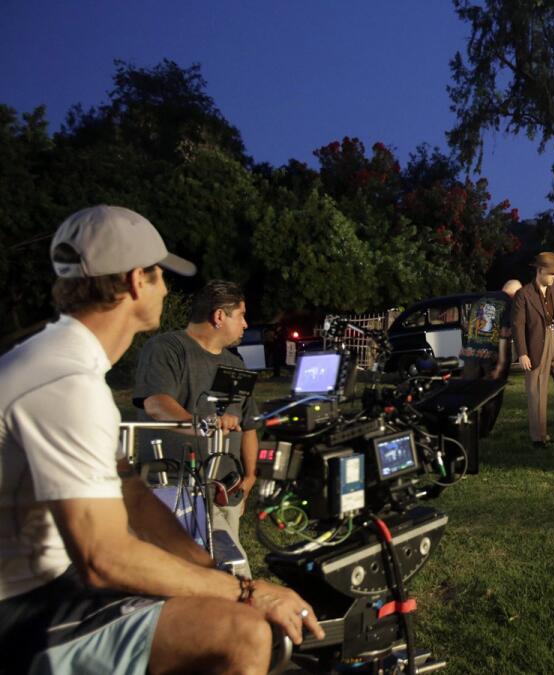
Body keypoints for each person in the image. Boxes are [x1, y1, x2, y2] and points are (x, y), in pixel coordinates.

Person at [0, 205, 322, 674]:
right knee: (242, 632)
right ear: (136, 281)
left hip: (49, 586)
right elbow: (104, 557)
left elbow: (131, 492)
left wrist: (210, 572)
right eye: (160, 275)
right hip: (25, 608)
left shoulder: (58, 360)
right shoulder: (65, 382)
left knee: (217, 603)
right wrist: (249, 591)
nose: (167, 288)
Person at [133, 279, 260, 547]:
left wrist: (249, 477)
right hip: (176, 488)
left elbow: (247, 425)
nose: (245, 324)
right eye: (241, 316)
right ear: (218, 316)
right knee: (210, 573)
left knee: (226, 560)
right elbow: (157, 404)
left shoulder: (235, 363)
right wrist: (204, 424)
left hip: (226, 489)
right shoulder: (167, 349)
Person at [512, 253, 554, 448]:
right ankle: (539, 437)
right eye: (552, 274)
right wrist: (522, 352)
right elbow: (518, 325)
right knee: (537, 392)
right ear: (539, 271)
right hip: (535, 346)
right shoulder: (524, 294)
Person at [460, 279, 521, 435]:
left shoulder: (480, 300)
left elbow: (468, 327)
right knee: (492, 395)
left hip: (471, 355)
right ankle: (485, 431)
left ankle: (466, 427)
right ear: (516, 294)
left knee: (470, 394)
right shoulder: (508, 303)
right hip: (492, 356)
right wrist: (501, 365)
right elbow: (504, 335)